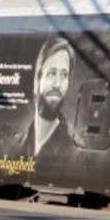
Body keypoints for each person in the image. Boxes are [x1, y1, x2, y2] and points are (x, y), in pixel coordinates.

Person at [25, 36, 77, 165]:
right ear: (37, 80)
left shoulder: (76, 152)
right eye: (52, 73)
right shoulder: (18, 146)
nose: (58, 84)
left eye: (64, 75)